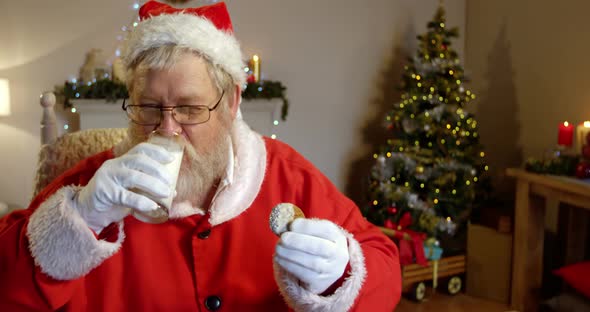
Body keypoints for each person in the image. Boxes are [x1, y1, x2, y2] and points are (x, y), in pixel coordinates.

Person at [0, 1, 401, 311]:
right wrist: (80, 220)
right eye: (149, 107)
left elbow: (384, 269)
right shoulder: (92, 186)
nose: (167, 128)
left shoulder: (284, 174)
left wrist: (340, 273)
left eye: (190, 109)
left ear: (231, 104)